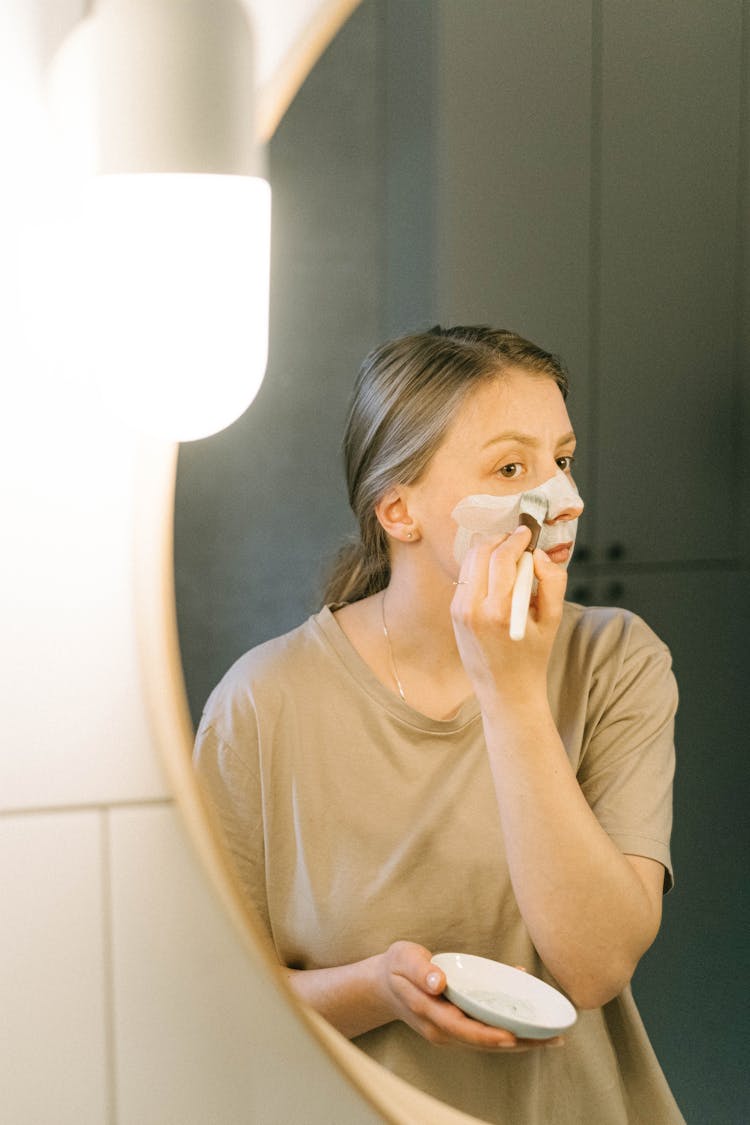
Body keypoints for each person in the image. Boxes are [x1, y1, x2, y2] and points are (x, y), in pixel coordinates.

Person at [193, 326, 684, 1124]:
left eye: (562, 458)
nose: (568, 499)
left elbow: (594, 967)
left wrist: (513, 692)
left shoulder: (617, 659)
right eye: (511, 466)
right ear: (399, 508)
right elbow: (218, 1006)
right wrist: (374, 988)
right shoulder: (262, 702)